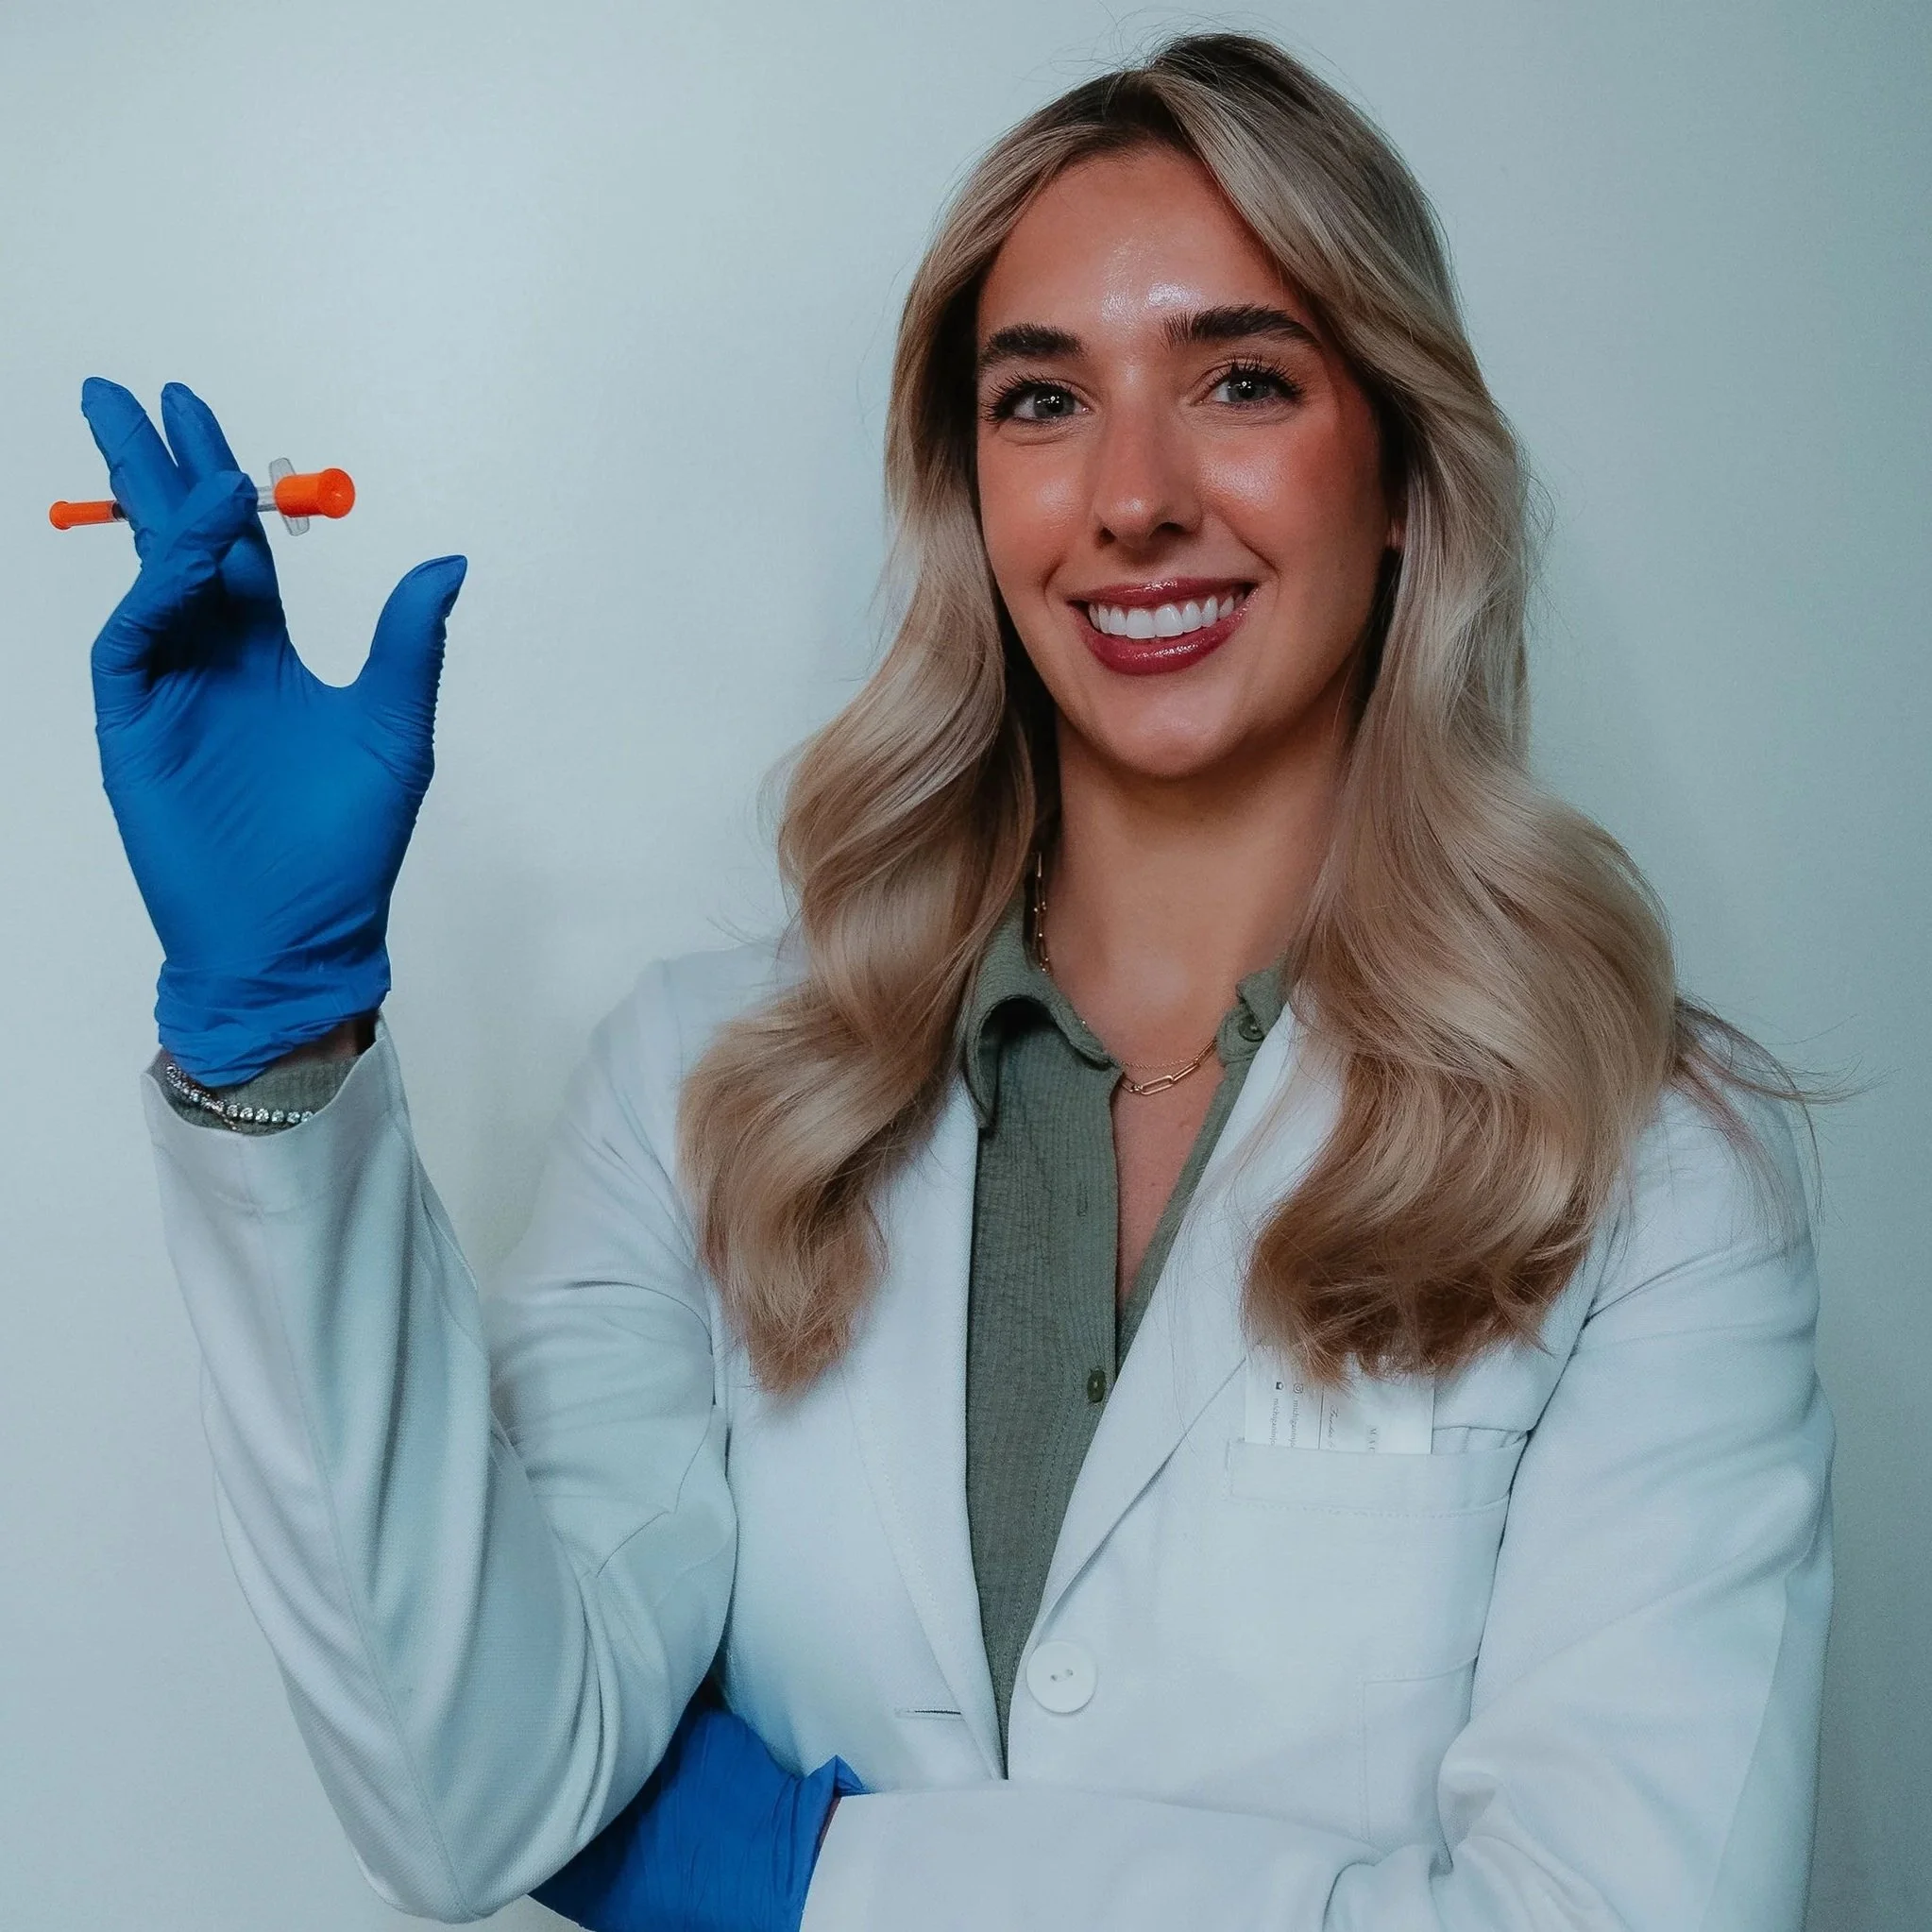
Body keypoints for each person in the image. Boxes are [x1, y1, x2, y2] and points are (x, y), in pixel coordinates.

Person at [88, 30, 1832, 1932]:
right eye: (1042, 401)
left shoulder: (1646, 1168)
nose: (1133, 498)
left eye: (1243, 379)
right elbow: (477, 1785)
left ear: (1403, 469)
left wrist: (810, 1880)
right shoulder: (711, 1087)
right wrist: (283, 1041)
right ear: (970, 493)